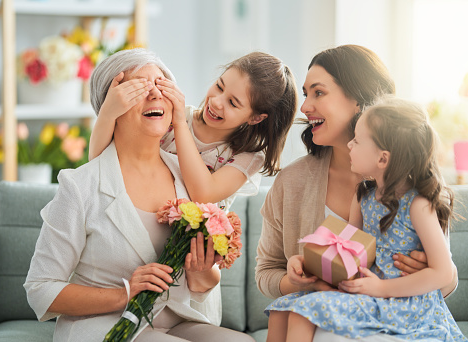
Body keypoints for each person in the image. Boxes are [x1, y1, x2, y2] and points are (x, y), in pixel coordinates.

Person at [24, 49, 254, 342]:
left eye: (162, 84)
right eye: (139, 87)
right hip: (104, 323)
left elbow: (201, 285)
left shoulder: (190, 178)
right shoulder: (80, 186)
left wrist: (203, 269)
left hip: (175, 322)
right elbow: (40, 288)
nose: (155, 93)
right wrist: (124, 294)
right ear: (111, 106)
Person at [255, 45, 459, 341]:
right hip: (343, 303)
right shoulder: (294, 182)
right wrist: (298, 276)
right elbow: (266, 273)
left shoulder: (415, 189)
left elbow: (443, 277)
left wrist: (424, 272)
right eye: (306, 93)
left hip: (396, 313)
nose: (305, 107)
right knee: (284, 311)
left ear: (360, 102)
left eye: (318, 93)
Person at [88, 51, 298, 211]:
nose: (216, 102)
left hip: (192, 251)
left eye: (233, 103)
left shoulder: (248, 157)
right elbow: (103, 162)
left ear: (255, 118)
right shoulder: (171, 117)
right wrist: (108, 112)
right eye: (219, 86)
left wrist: (179, 124)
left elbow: (203, 193)